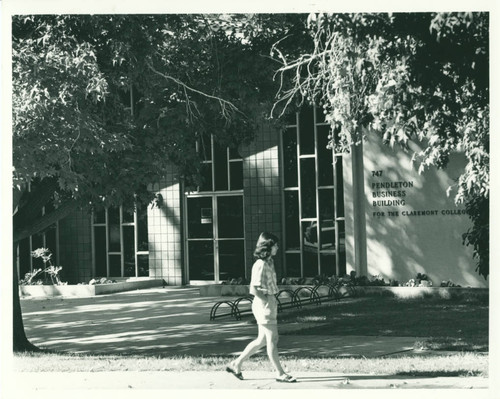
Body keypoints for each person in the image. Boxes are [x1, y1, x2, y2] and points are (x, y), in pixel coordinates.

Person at [226, 232, 296, 383]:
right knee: (273, 339)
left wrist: (271, 300)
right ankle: (280, 373)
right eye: (275, 245)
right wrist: (268, 301)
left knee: (262, 340)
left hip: (268, 302)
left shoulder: (269, 262)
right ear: (267, 247)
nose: (277, 247)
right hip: (263, 304)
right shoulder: (261, 265)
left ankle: (236, 364)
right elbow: (254, 289)